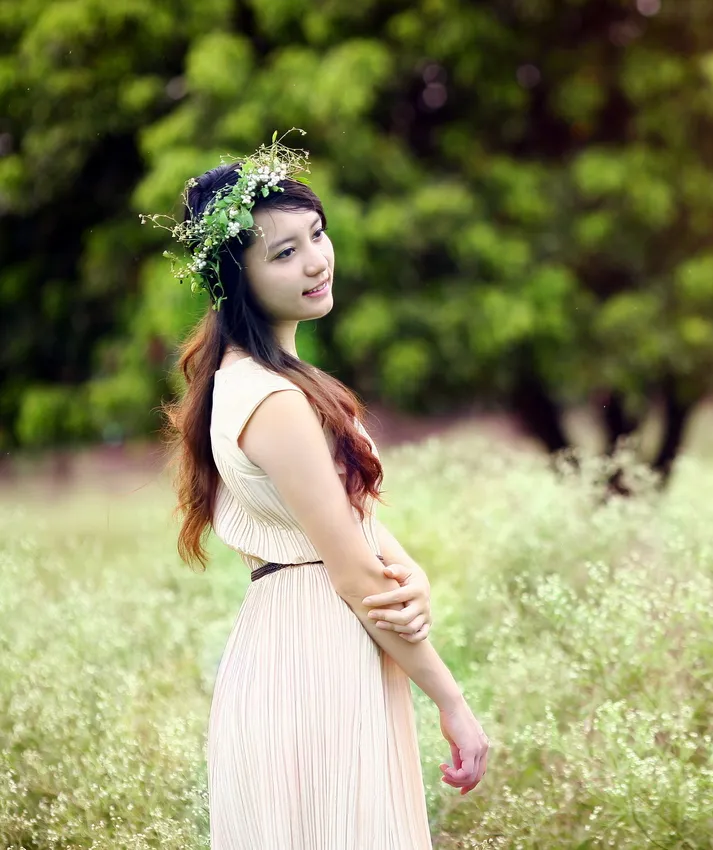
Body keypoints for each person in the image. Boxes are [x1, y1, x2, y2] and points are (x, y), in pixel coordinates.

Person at [148, 134, 488, 849]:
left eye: (316, 234)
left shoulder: (256, 383)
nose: (316, 260)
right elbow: (354, 572)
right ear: (235, 280)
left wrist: (411, 568)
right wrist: (452, 703)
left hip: (306, 643)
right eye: (283, 253)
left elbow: (339, 524)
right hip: (315, 659)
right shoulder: (271, 401)